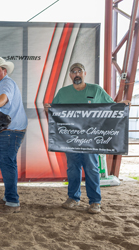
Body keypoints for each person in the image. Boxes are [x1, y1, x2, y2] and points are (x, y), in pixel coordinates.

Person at [44, 62, 130, 214]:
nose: (76, 74)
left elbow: (110, 108)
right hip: (70, 139)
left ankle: (95, 201)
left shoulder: (96, 90)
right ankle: (73, 198)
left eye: (79, 71)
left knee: (92, 168)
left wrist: (120, 105)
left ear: (84, 73)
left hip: (91, 139)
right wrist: (48, 108)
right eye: (73, 72)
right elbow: (54, 111)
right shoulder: (63, 92)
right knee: (72, 168)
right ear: (70, 75)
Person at [0, 57, 28, 214]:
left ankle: (13, 202)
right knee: (9, 164)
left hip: (8, 130)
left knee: (7, 164)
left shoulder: (6, 83)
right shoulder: (0, 84)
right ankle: (9, 196)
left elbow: (5, 96)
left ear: (5, 71)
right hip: (8, 130)